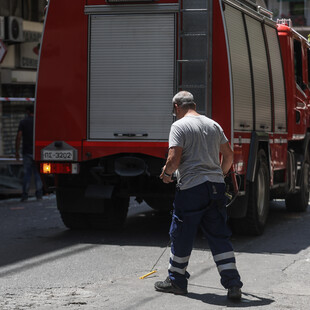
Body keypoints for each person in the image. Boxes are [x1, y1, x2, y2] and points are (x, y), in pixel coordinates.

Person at [154, 91, 243, 300]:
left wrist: (166, 175)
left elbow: (174, 158)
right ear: (194, 104)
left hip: (192, 188)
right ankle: (233, 285)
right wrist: (218, 174)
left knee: (182, 233)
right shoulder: (213, 125)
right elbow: (229, 155)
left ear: (177, 107)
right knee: (219, 235)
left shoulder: (179, 126)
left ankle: (176, 281)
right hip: (215, 188)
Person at [15, 106, 43, 201]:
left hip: (27, 151)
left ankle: (25, 195)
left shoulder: (23, 122)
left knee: (27, 174)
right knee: (37, 174)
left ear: (27, 111)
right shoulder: (39, 122)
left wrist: (16, 151)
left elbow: (19, 136)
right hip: (37, 151)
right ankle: (39, 194)